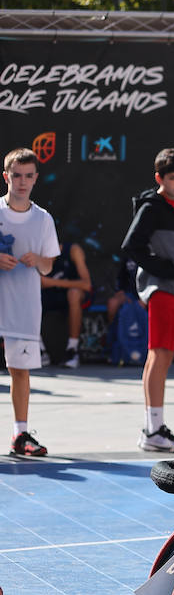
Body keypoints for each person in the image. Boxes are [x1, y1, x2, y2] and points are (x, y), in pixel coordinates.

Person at [122, 148, 174, 452]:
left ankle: (153, 428)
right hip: (163, 290)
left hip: (172, 289)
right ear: (159, 178)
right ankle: (153, 429)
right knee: (160, 355)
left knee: (161, 356)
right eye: (172, 178)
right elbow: (132, 245)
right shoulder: (153, 207)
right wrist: (163, 269)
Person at [0, 148, 60, 456]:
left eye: (28, 176)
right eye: (16, 175)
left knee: (19, 371)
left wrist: (38, 259)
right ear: (6, 176)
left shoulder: (43, 219)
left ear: (35, 178)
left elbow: (49, 265)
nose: (22, 182)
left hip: (23, 306)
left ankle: (20, 435)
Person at [39, 240, 92, 369]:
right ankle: (39, 349)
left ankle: (72, 350)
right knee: (27, 295)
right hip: (47, 298)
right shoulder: (34, 253)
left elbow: (87, 284)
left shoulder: (73, 250)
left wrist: (51, 282)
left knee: (74, 294)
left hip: (70, 296)